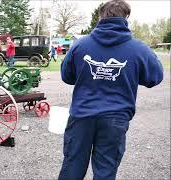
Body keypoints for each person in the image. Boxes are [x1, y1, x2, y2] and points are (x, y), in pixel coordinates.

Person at [59, 0, 163, 179]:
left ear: (101, 17)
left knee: (72, 166)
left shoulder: (80, 45)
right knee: (105, 171)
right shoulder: (139, 48)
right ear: (126, 17)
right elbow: (154, 77)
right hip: (116, 118)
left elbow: (67, 76)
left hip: (82, 115)